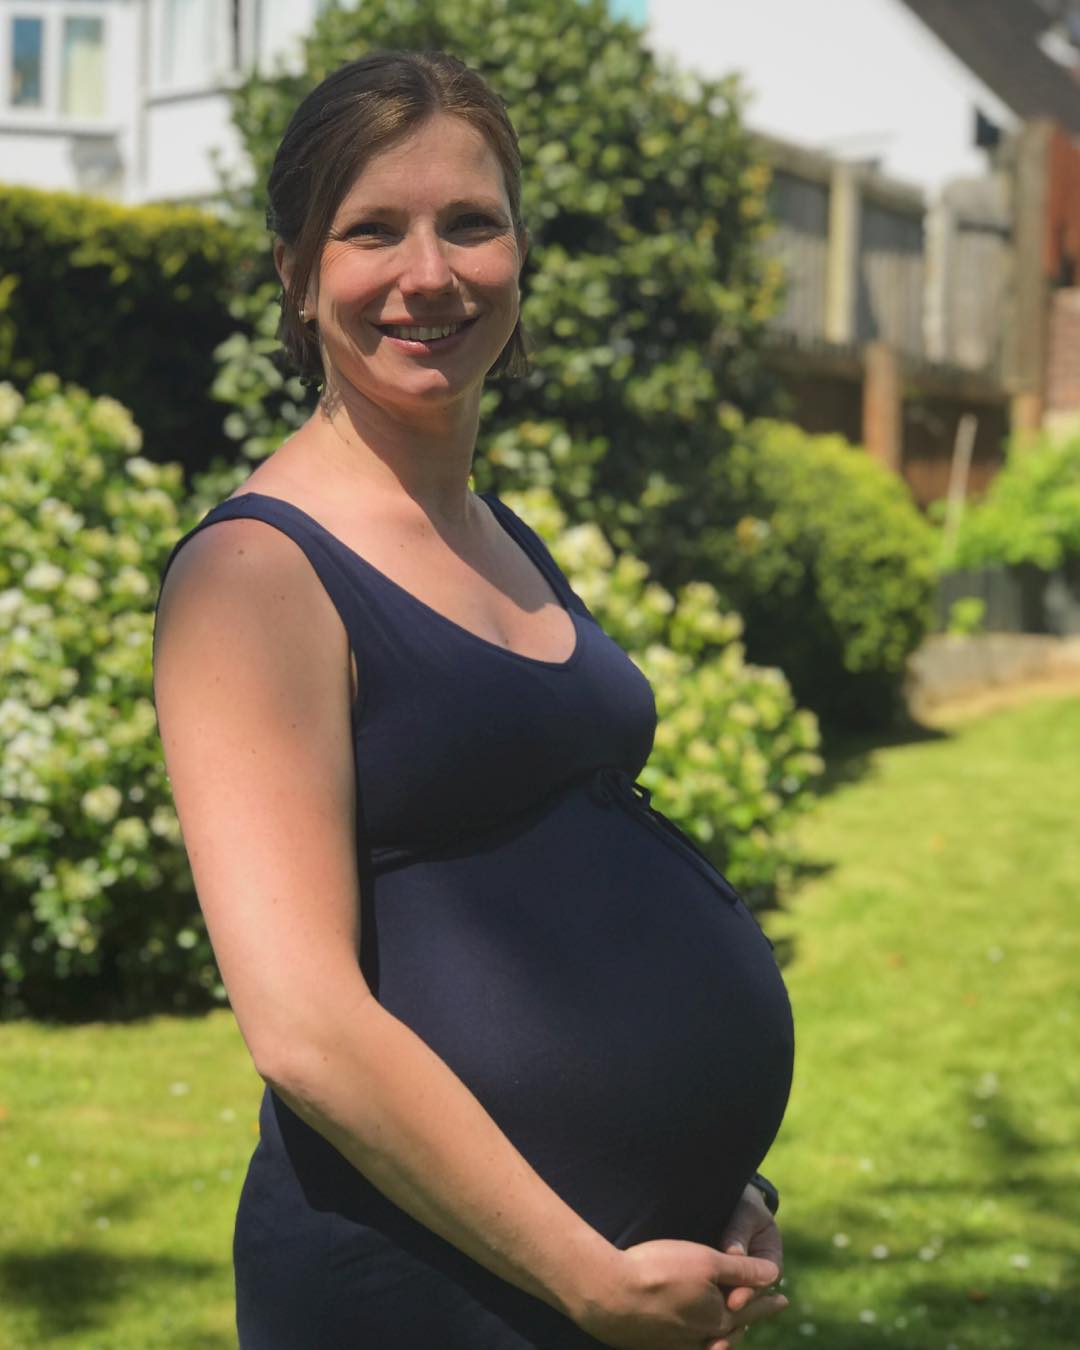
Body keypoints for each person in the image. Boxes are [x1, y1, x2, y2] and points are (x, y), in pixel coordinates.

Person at [151, 49, 794, 1350]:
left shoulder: (491, 528)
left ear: (519, 254)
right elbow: (303, 1023)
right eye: (372, 229)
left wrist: (718, 1173)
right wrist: (586, 1274)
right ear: (294, 271)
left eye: (472, 224)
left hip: (624, 1259)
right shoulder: (256, 574)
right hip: (428, 1288)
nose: (430, 273)